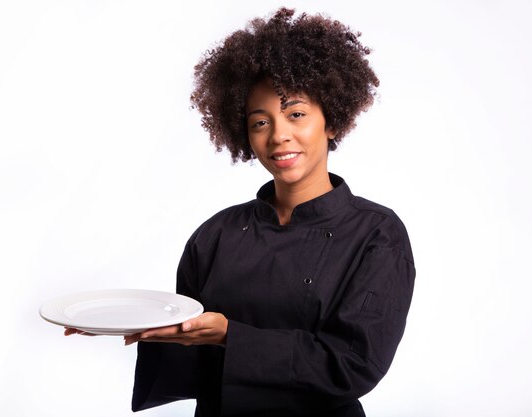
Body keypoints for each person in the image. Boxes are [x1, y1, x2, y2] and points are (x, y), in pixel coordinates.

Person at [73, 7, 415, 416]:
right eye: (260, 122)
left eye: (296, 114)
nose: (279, 135)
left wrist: (229, 337)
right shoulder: (216, 233)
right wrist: (140, 326)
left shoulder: (377, 234)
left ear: (332, 121)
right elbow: (193, 346)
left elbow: (355, 364)